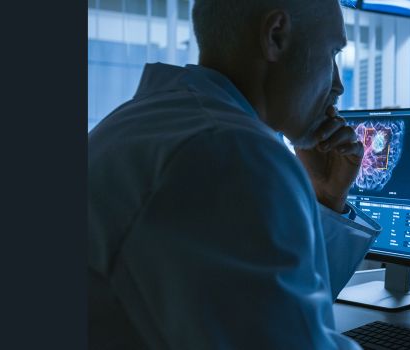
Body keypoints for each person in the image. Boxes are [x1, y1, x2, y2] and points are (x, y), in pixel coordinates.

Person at [87, 0, 380, 348]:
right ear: (275, 36)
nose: (337, 85)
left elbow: (277, 307)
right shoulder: (228, 151)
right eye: (331, 52)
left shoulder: (154, 122)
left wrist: (326, 199)